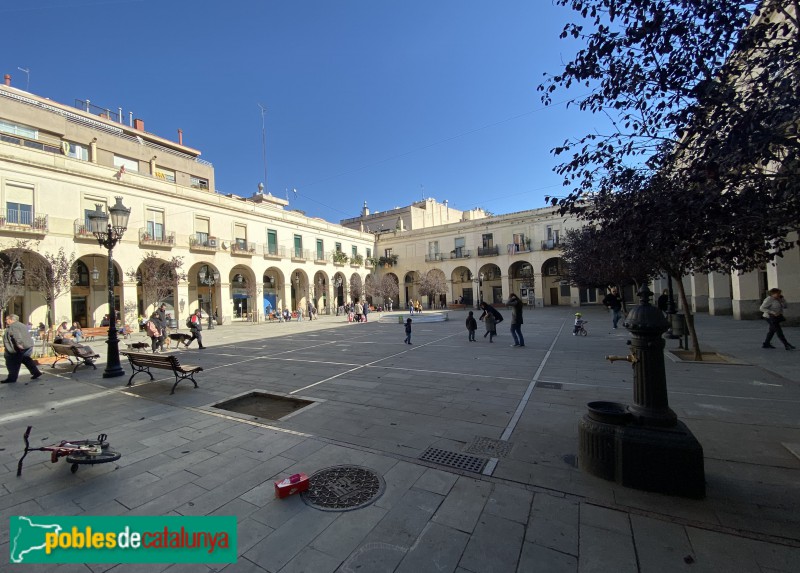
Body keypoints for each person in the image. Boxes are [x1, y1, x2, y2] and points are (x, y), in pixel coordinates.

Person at [2, 314, 42, 383]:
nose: (5, 321)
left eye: (6, 319)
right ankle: (36, 372)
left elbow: (17, 336)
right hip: (27, 346)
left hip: (18, 347)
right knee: (26, 359)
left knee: (12, 362)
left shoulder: (13, 326)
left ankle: (12, 378)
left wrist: (19, 345)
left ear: (11, 320)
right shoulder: (21, 324)